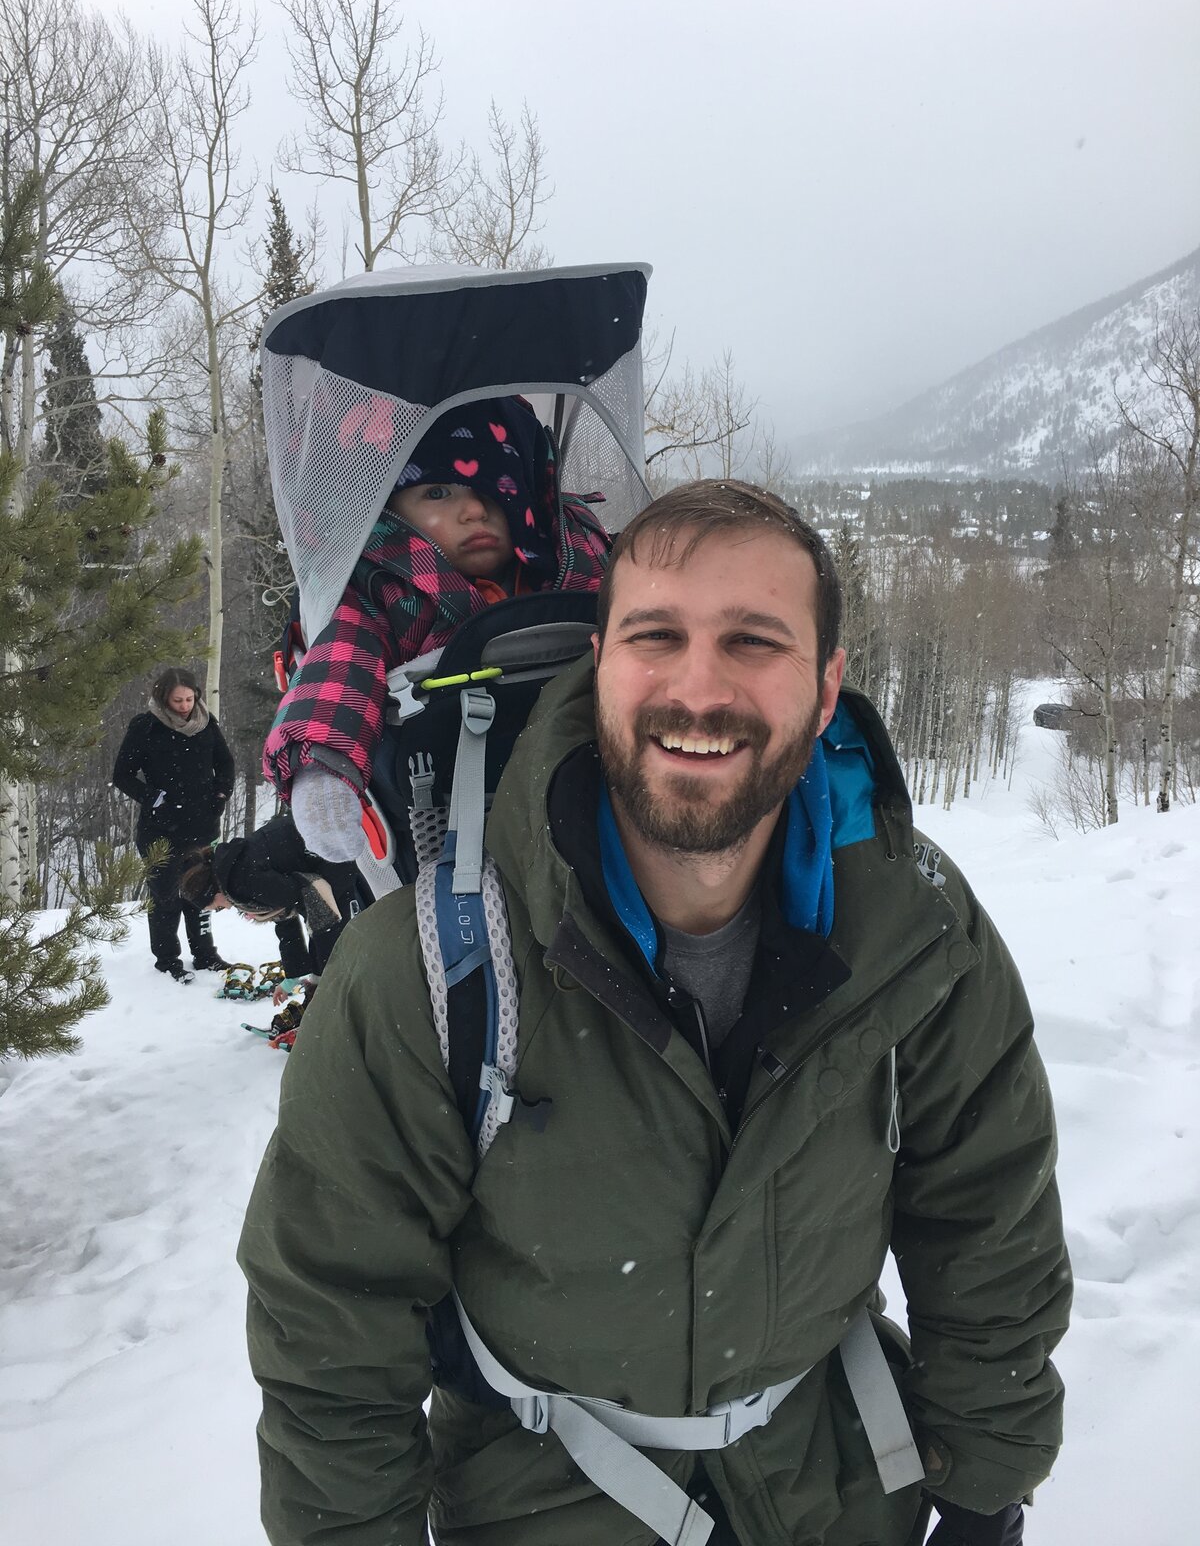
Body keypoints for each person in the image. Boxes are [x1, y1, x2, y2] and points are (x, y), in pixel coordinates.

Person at [238, 481, 1070, 1546]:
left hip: (847, 1484)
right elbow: (331, 1336)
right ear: (602, 664)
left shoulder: (913, 932)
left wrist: (987, 1484)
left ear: (826, 689)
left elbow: (987, 1217)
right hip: (543, 1501)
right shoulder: (430, 971)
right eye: (656, 635)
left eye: (754, 640)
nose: (698, 686)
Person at [261, 395, 610, 864]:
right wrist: (323, 765)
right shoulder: (384, 588)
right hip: (451, 813)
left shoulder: (577, 563)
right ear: (390, 512)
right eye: (439, 493)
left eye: (497, 488)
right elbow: (342, 665)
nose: (474, 511)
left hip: (596, 779)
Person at [111, 667, 234, 984]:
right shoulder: (146, 727)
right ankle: (167, 960)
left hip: (203, 827)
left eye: (189, 699)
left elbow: (225, 764)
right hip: (161, 829)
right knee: (165, 895)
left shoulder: (206, 724)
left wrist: (220, 794)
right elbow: (122, 775)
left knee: (203, 891)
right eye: (177, 700)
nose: (184, 706)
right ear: (163, 698)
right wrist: (153, 798)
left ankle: (205, 954)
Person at [178, 814, 361, 1004]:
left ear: (213, 893)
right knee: (328, 950)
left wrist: (321, 972)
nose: (223, 909)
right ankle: (326, 999)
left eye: (215, 907)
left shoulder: (241, 882)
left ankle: (336, 1003)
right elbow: (285, 913)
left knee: (336, 950)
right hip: (324, 843)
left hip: (332, 853)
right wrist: (293, 976)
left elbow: (303, 896)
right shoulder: (230, 869)